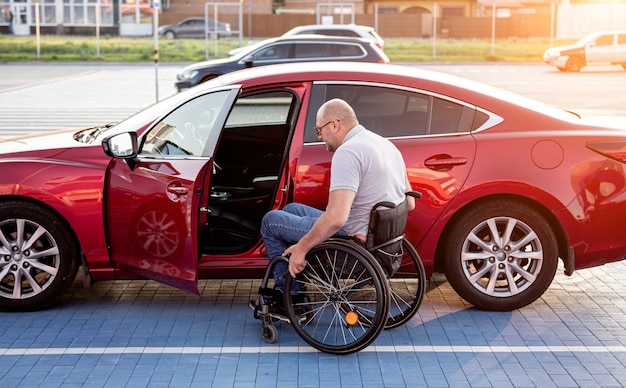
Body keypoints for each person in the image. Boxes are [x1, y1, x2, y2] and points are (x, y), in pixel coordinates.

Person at [260, 98, 415, 301]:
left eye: (319, 131)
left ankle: (291, 295)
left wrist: (302, 248)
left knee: (270, 221)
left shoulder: (348, 152)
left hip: (353, 242)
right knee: (292, 209)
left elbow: (336, 219)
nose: (321, 138)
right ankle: (296, 280)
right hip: (382, 242)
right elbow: (409, 203)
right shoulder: (385, 144)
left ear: (334, 124)